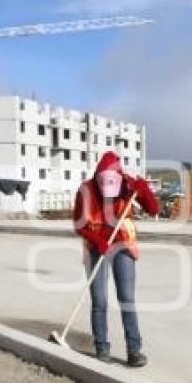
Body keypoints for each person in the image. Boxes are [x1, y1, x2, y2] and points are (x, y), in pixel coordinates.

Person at [73, 151, 159, 367]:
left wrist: (144, 191)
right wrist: (97, 240)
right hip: (96, 247)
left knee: (126, 299)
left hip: (122, 244)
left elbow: (153, 209)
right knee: (99, 300)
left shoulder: (129, 185)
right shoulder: (86, 189)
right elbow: (78, 224)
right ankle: (102, 349)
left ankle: (134, 351)